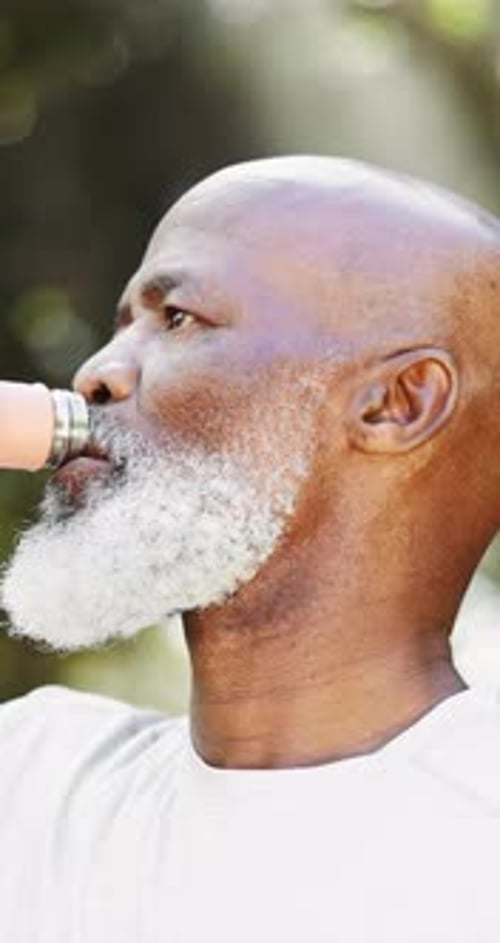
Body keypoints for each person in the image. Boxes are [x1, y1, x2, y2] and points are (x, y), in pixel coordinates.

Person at [1, 155, 500, 941]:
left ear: (396, 403)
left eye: (178, 319)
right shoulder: (34, 781)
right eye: (122, 322)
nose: (96, 372)